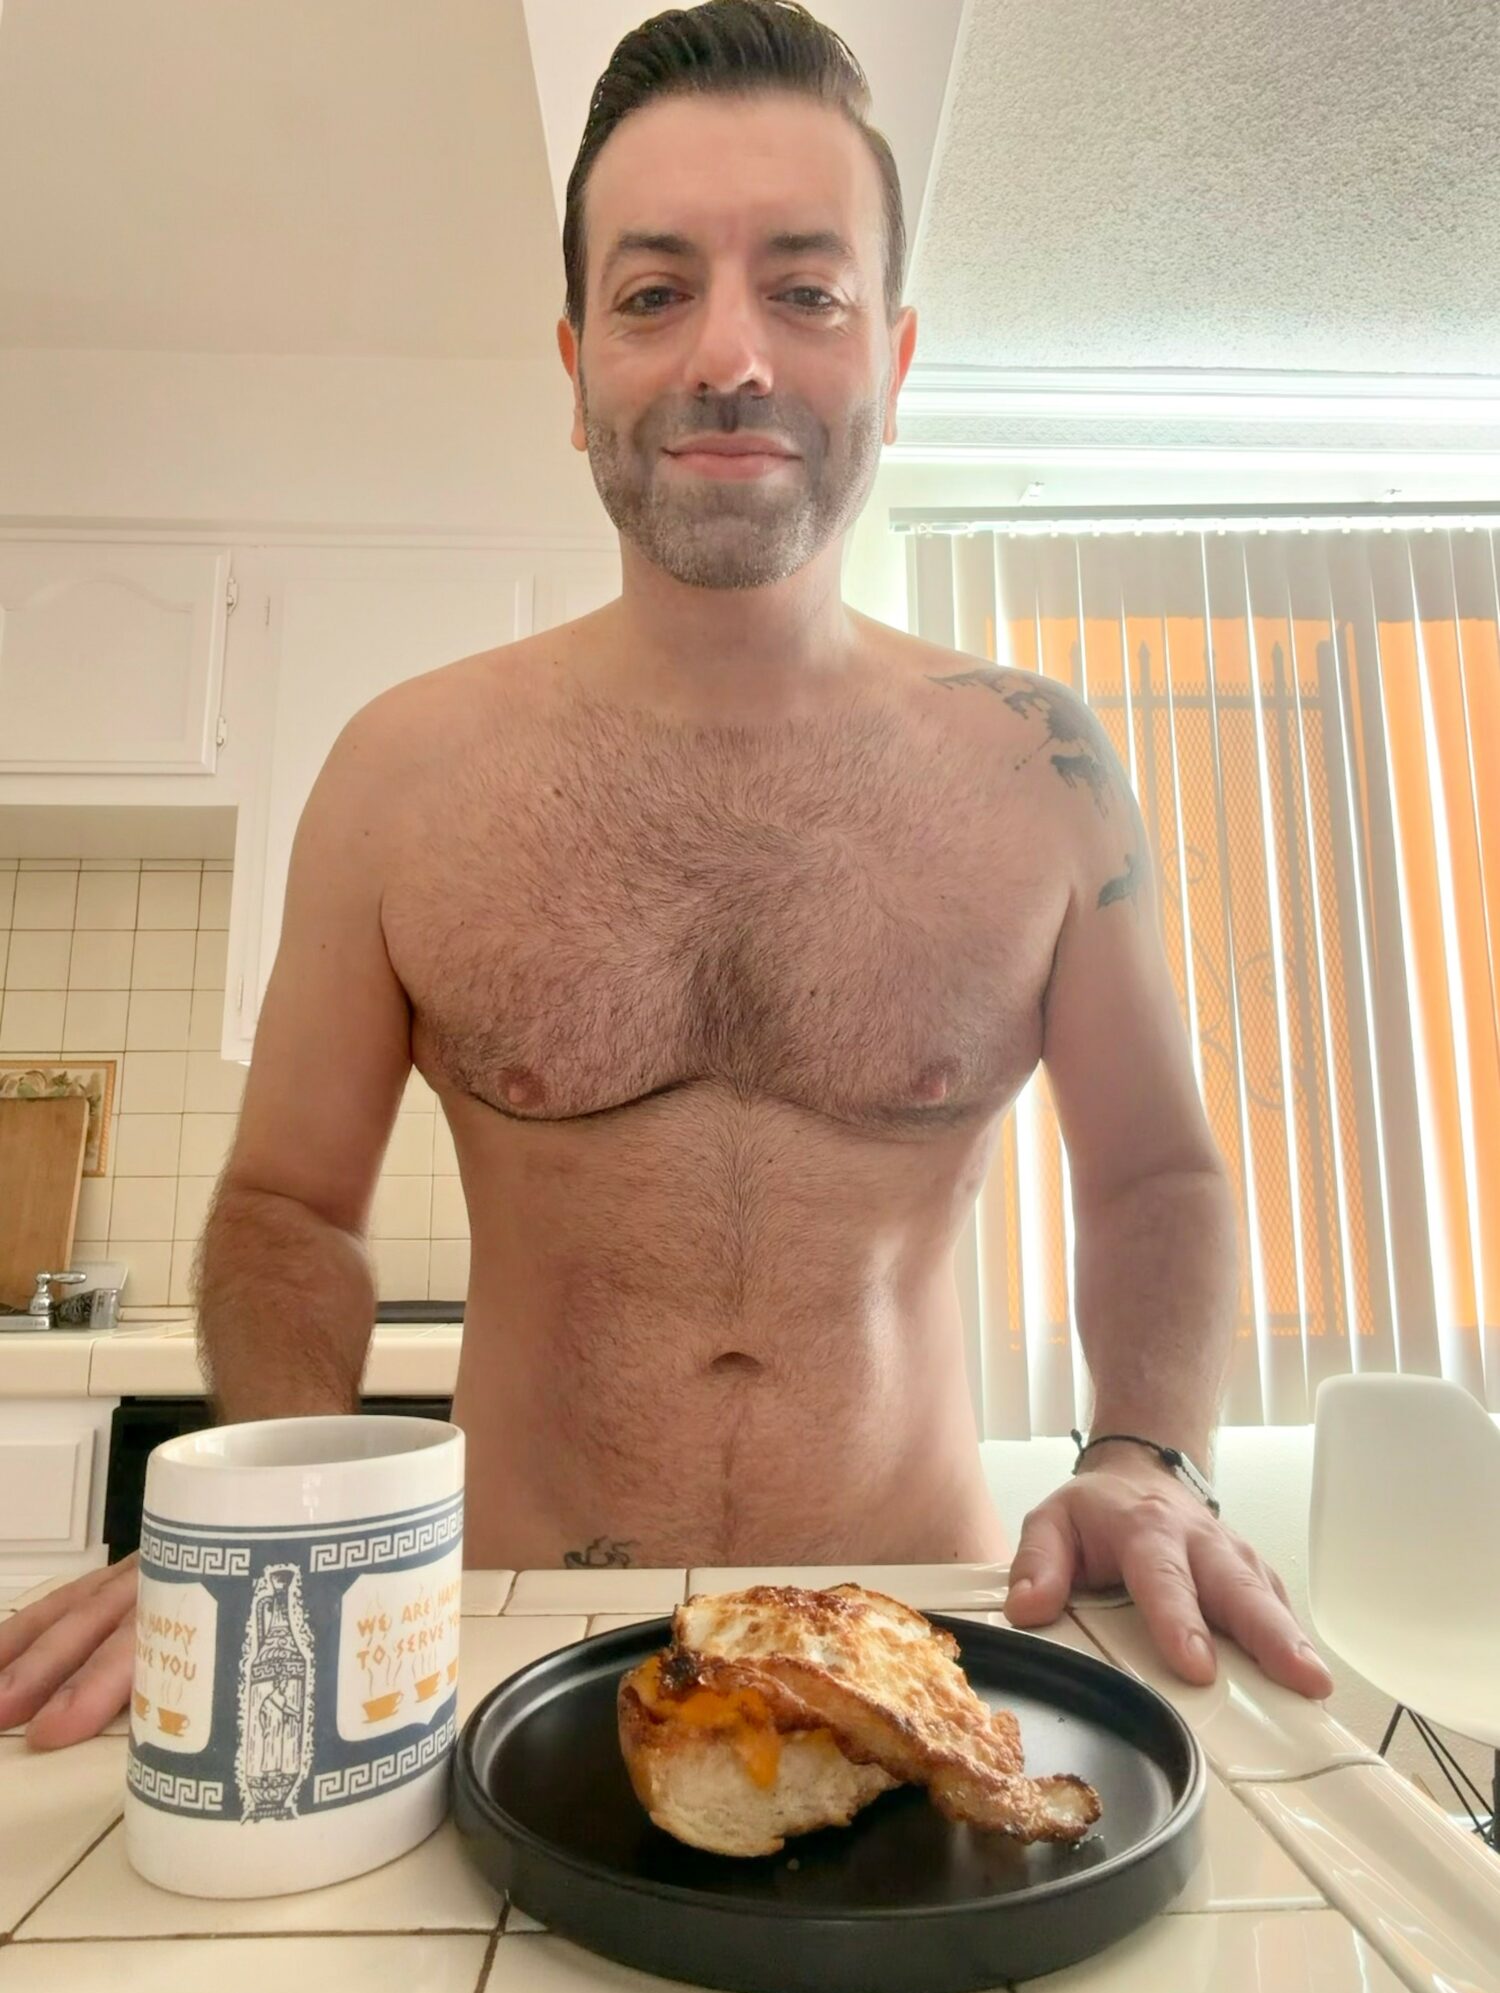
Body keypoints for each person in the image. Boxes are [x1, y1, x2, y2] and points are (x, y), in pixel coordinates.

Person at [0, 0, 1333, 1752]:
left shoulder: (1036, 770)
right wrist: (272, 1513)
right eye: (652, 294)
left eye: (804, 287)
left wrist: (1149, 1459)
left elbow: (1157, 1175)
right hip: (490, 1656)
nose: (731, 356)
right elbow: (284, 1214)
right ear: (573, 370)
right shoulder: (404, 776)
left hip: (919, 1651)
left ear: (897, 356)